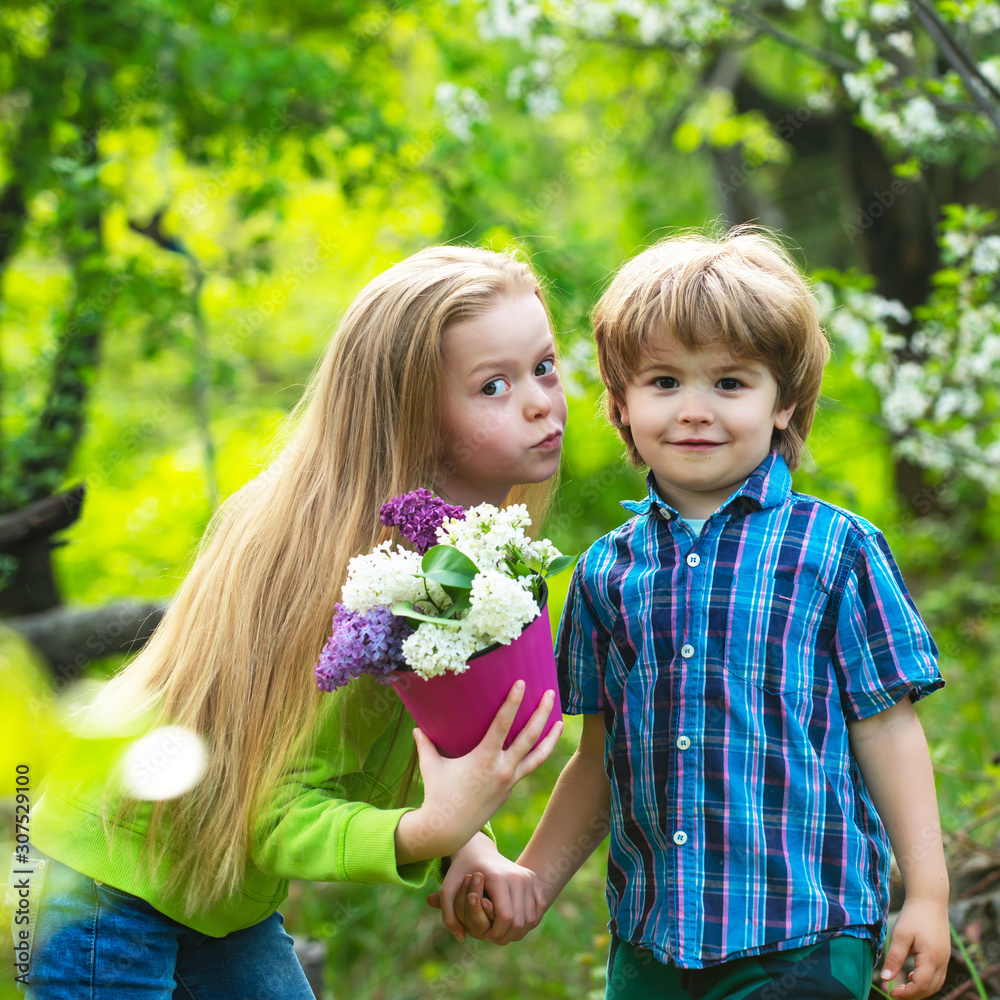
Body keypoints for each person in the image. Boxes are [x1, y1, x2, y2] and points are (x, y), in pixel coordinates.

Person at [21, 245, 568, 998]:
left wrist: (460, 844)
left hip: (217, 890)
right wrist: (427, 833)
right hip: (106, 878)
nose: (543, 400)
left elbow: (386, 749)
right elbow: (276, 808)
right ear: (412, 415)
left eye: (543, 366)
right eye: (494, 385)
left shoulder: (463, 563)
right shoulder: (349, 576)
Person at [435, 228, 950, 1000]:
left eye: (731, 384)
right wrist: (533, 881)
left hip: (801, 932)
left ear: (786, 404)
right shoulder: (609, 572)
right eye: (665, 382)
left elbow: (887, 727)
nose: (696, 411)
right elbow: (599, 757)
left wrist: (929, 893)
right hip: (653, 942)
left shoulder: (834, 549)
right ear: (621, 403)